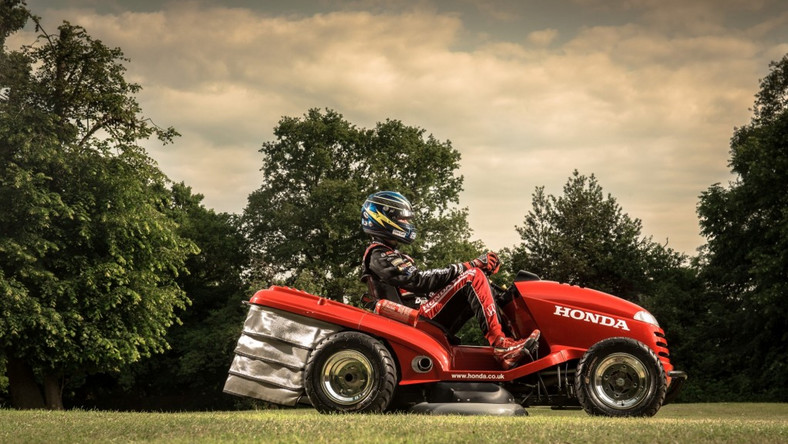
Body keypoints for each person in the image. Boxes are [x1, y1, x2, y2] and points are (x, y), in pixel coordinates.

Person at [360, 190, 540, 370]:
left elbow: (423, 288)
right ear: (382, 218)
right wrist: (469, 265)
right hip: (411, 321)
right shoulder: (378, 254)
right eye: (403, 219)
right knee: (473, 277)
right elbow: (419, 280)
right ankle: (502, 347)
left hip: (419, 316)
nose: (407, 224)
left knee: (485, 284)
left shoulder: (389, 254)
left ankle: (516, 343)